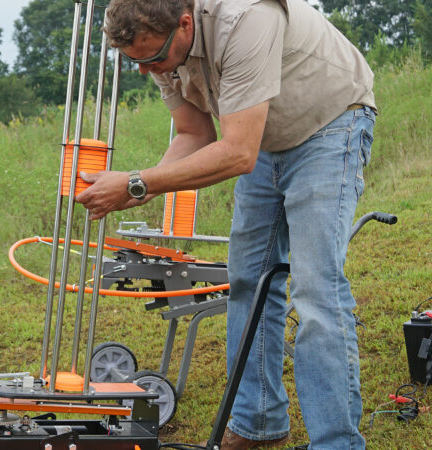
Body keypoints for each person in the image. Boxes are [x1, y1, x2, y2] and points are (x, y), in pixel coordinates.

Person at [75, 0, 376, 448]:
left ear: (184, 23)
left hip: (329, 125)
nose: (145, 70)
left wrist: (136, 184)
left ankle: (336, 441)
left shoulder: (247, 17)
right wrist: (133, 191)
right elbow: (194, 135)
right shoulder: (158, 44)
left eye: (152, 58)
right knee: (247, 282)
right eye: (134, 61)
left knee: (316, 289)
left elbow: (237, 153)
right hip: (260, 137)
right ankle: (257, 420)